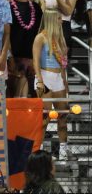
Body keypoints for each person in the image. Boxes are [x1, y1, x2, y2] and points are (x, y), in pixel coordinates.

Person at [33, 9, 71, 161]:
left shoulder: (60, 38)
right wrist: (40, 80)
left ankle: (63, 150)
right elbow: (35, 60)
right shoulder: (40, 37)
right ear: (51, 20)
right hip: (45, 76)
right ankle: (39, 151)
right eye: (59, 19)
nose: (61, 21)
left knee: (63, 116)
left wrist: (64, 80)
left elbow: (62, 65)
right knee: (44, 118)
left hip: (58, 79)